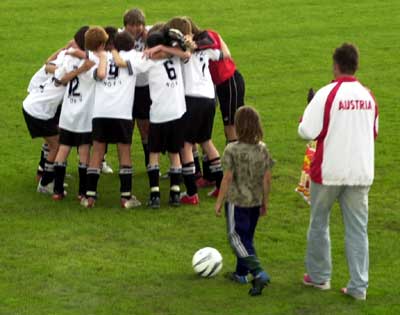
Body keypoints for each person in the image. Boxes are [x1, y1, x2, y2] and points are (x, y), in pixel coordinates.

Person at [298, 43, 379, 301]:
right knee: (358, 229)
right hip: (360, 171)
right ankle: (358, 286)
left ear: (335, 65)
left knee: (319, 223)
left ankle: (320, 277)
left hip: (329, 170)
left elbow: (306, 131)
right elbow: (374, 131)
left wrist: (310, 109)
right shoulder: (368, 96)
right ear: (356, 65)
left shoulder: (326, 93)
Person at [215, 106, 273, 296]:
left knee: (235, 238)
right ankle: (241, 274)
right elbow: (266, 178)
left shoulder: (232, 148)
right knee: (246, 237)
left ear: (238, 127)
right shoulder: (262, 148)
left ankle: (258, 272)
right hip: (255, 201)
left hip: (236, 201)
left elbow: (227, 177)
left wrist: (219, 200)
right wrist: (265, 201)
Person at [81, 28, 141, 209]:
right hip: (121, 113)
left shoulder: (98, 58)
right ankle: (126, 198)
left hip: (100, 112)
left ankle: (89, 197)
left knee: (97, 152)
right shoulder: (133, 58)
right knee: (124, 152)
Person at [51, 25, 97, 201]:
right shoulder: (92, 62)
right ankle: (82, 192)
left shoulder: (68, 59)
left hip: (68, 112)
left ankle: (57, 190)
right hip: (84, 114)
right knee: (84, 151)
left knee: (64, 148)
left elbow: (59, 78)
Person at [123, 8, 152, 167]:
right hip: (126, 89)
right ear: (125, 25)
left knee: (145, 127)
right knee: (126, 126)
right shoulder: (120, 37)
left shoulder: (150, 34)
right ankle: (123, 164)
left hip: (143, 87)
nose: (135, 29)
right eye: (131, 25)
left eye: (139, 25)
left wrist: (149, 37)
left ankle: (150, 163)